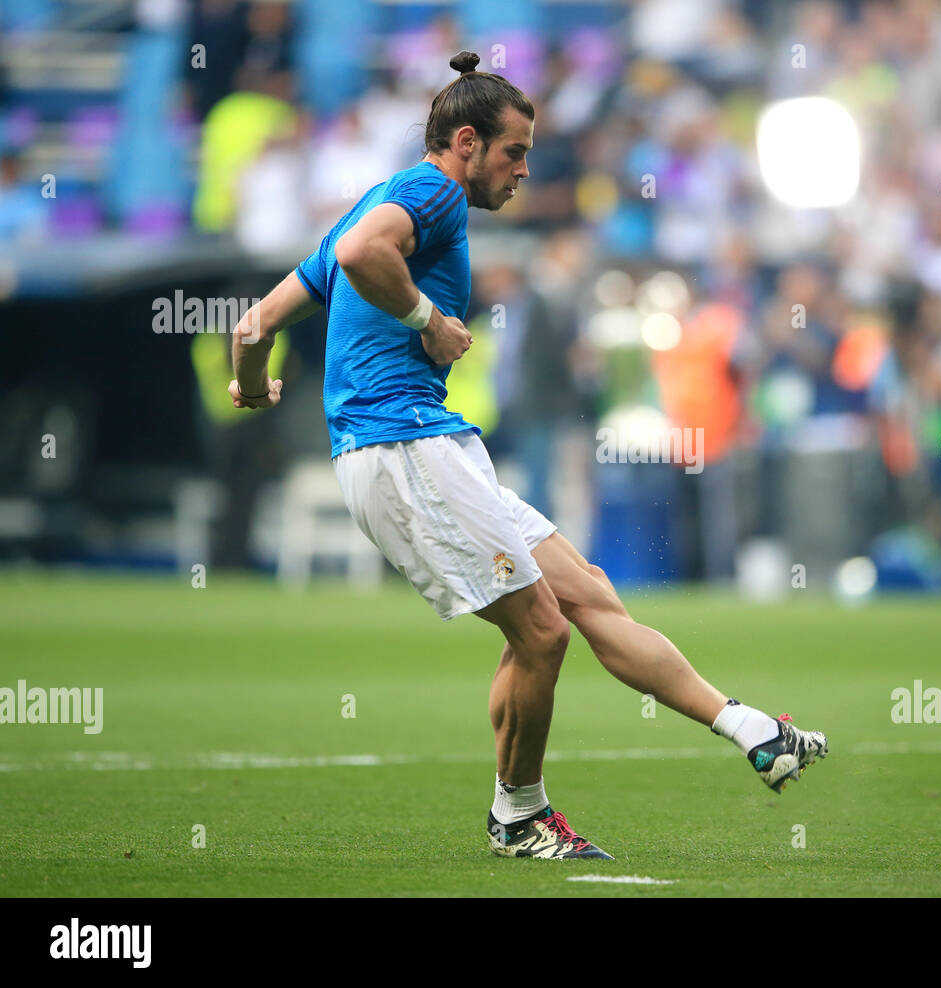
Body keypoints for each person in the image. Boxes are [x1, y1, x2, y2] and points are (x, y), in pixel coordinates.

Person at [225, 51, 827, 860]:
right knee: (543, 633)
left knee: (585, 592)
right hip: (401, 445)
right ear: (466, 143)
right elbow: (371, 254)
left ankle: (754, 729)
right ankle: (520, 815)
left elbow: (251, 327)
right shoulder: (431, 192)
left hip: (425, 445)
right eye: (515, 152)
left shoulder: (373, 205)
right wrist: (426, 322)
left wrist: (254, 387)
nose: (524, 170)